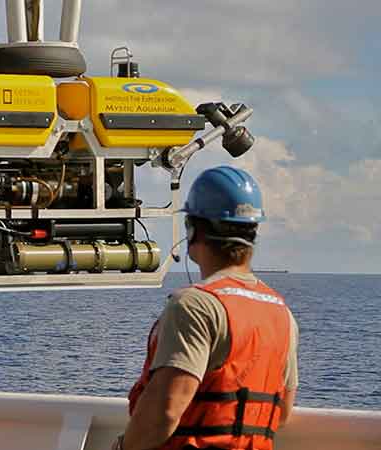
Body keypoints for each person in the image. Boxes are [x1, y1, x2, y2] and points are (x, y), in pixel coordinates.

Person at [115, 166, 299, 450]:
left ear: (193, 231)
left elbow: (165, 412)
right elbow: (282, 412)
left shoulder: (196, 306)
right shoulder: (281, 314)